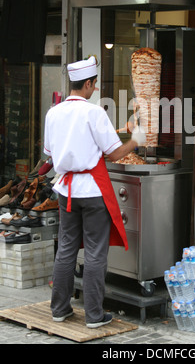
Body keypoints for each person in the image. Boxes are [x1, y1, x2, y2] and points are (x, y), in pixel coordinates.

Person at [43, 56, 146, 328]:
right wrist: (135, 139)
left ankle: (59, 309)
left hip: (65, 189)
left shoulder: (53, 112)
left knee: (65, 249)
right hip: (91, 189)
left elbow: (51, 154)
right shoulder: (94, 112)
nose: (95, 89)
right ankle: (94, 315)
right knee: (95, 253)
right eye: (94, 84)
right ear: (88, 83)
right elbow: (113, 153)